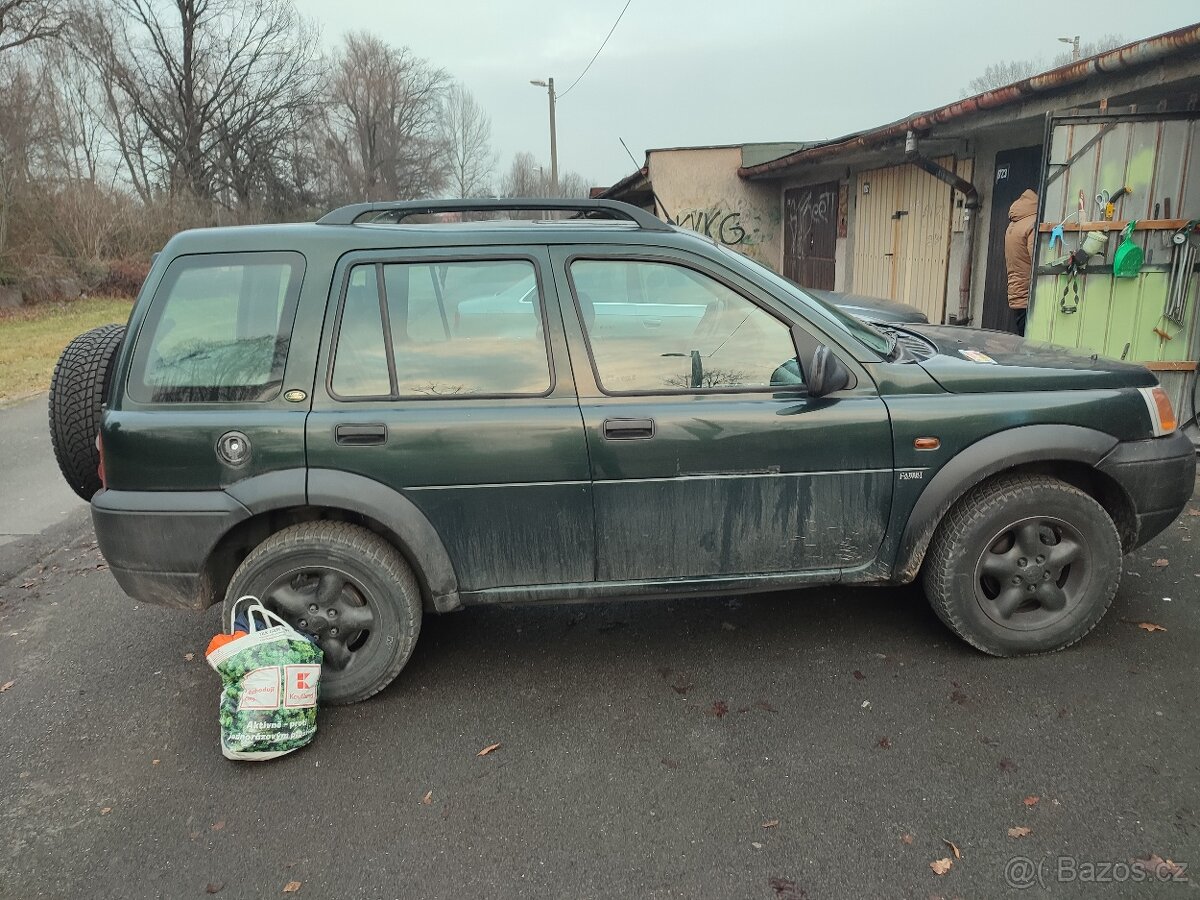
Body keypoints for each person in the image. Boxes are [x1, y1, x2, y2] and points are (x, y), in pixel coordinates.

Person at [1004, 189, 1038, 335]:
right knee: (1031, 340)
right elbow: (1036, 258)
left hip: (1016, 287)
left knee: (1023, 335)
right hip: (1028, 291)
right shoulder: (1032, 224)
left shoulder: (1013, 224)